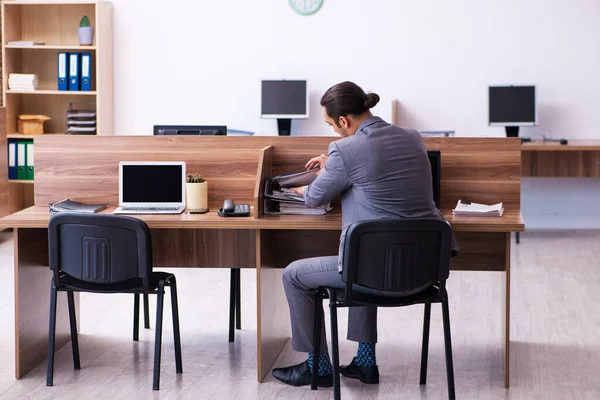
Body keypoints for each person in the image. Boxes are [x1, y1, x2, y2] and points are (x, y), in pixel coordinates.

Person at [271, 81, 458, 388]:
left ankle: (316, 365)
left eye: (332, 125)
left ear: (344, 121)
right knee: (367, 255)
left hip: (374, 274)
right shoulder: (412, 137)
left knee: (296, 274)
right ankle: (365, 362)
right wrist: (336, 164)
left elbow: (314, 197)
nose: (334, 132)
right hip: (426, 273)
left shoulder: (344, 149)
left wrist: (310, 180)